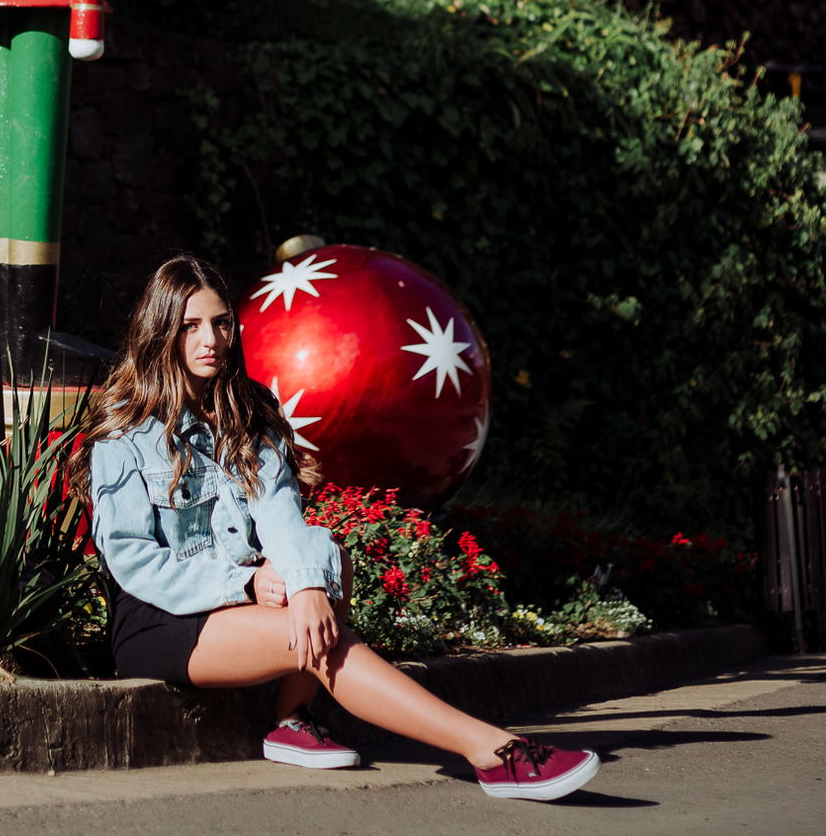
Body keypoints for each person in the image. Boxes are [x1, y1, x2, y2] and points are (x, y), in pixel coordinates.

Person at [72, 254, 601, 802]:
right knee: (318, 643)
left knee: (329, 559)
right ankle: (492, 752)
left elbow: (280, 512)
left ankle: (290, 720)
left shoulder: (248, 412)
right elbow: (133, 559)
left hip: (235, 598)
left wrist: (302, 583)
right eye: (190, 326)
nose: (212, 339)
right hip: (162, 617)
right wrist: (246, 584)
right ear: (161, 332)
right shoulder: (127, 431)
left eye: (222, 322)